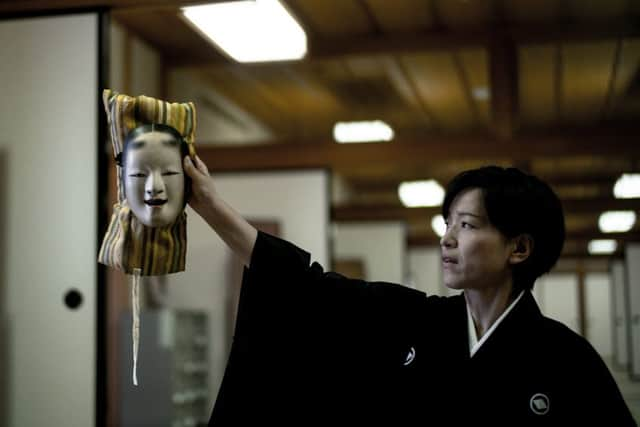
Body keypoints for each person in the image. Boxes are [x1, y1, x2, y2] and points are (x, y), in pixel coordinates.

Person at [182, 156, 636, 426]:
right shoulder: (415, 321)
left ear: (518, 247)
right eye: (447, 224)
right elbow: (311, 289)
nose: (447, 238)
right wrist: (209, 205)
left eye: (468, 225)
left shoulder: (569, 361)